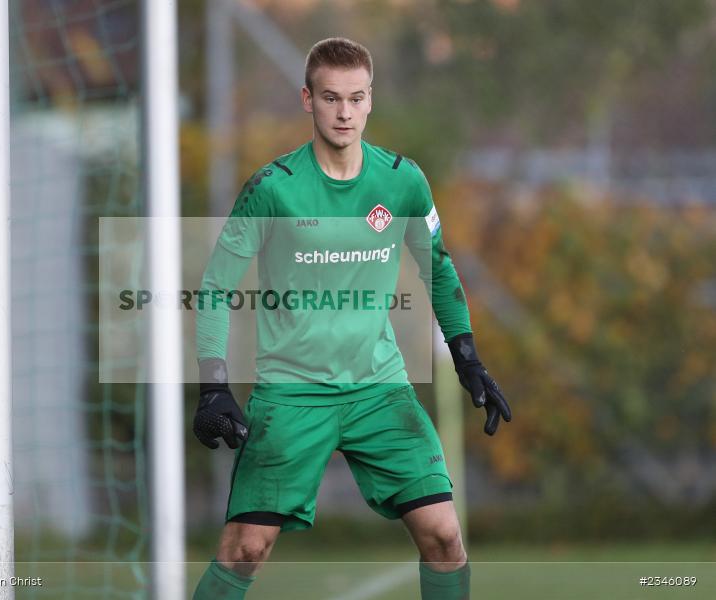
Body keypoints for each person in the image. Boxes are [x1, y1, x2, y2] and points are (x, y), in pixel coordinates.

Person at [191, 37, 511, 600]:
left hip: (379, 389)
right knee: (245, 550)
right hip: (291, 395)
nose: (344, 112)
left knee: (443, 537)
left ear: (370, 102)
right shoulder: (273, 190)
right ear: (307, 99)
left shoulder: (403, 181)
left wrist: (467, 357)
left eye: (355, 98)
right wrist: (212, 387)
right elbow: (216, 286)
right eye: (330, 98)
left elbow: (438, 269)